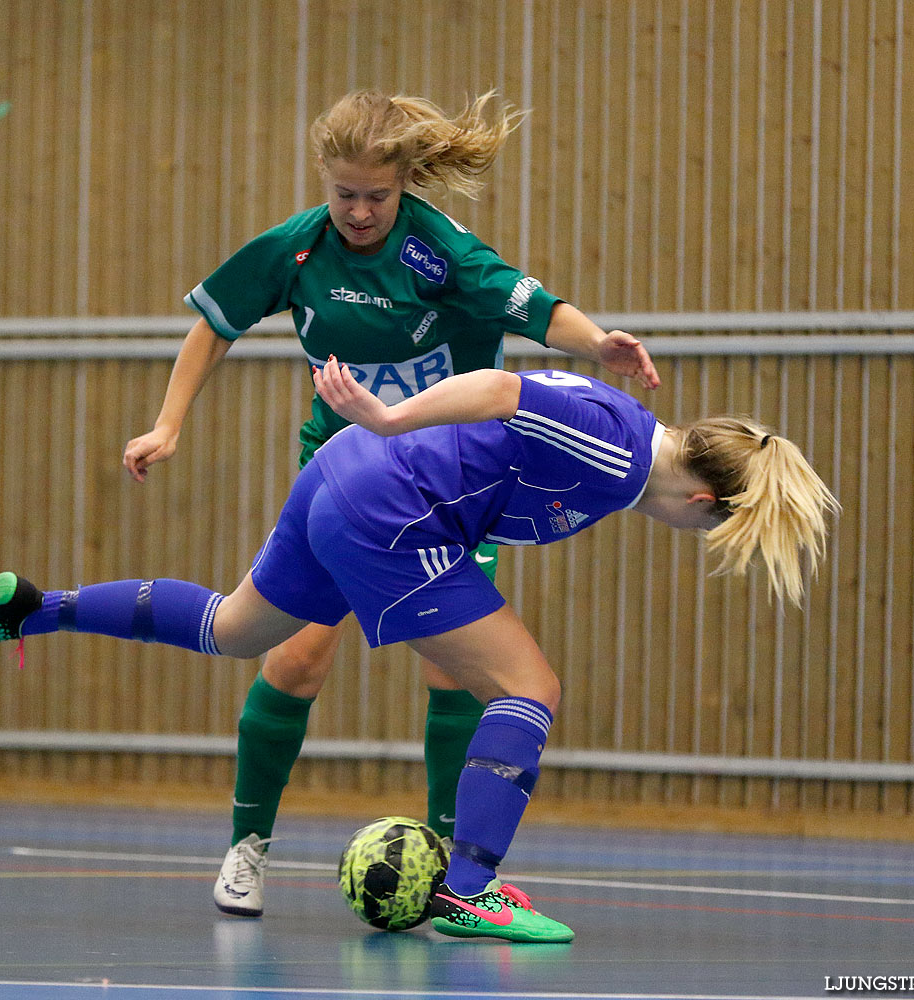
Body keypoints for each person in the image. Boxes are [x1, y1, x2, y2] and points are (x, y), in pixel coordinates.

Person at [0, 363, 840, 943]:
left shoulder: (623, 439)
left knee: (232, 627)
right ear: (705, 499)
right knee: (529, 686)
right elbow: (500, 391)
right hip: (391, 501)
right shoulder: (617, 452)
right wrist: (391, 413)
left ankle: (34, 607)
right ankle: (472, 887)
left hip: (345, 478)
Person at [117, 88, 661, 917]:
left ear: (406, 182)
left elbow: (536, 307)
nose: (361, 211)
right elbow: (214, 325)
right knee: (295, 657)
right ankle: (246, 845)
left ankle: (448, 868)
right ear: (323, 181)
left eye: (378, 195)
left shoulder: (439, 253)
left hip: (452, 494)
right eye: (345, 195)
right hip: (346, 480)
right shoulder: (295, 251)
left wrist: (600, 344)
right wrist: (167, 422)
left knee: (454, 665)